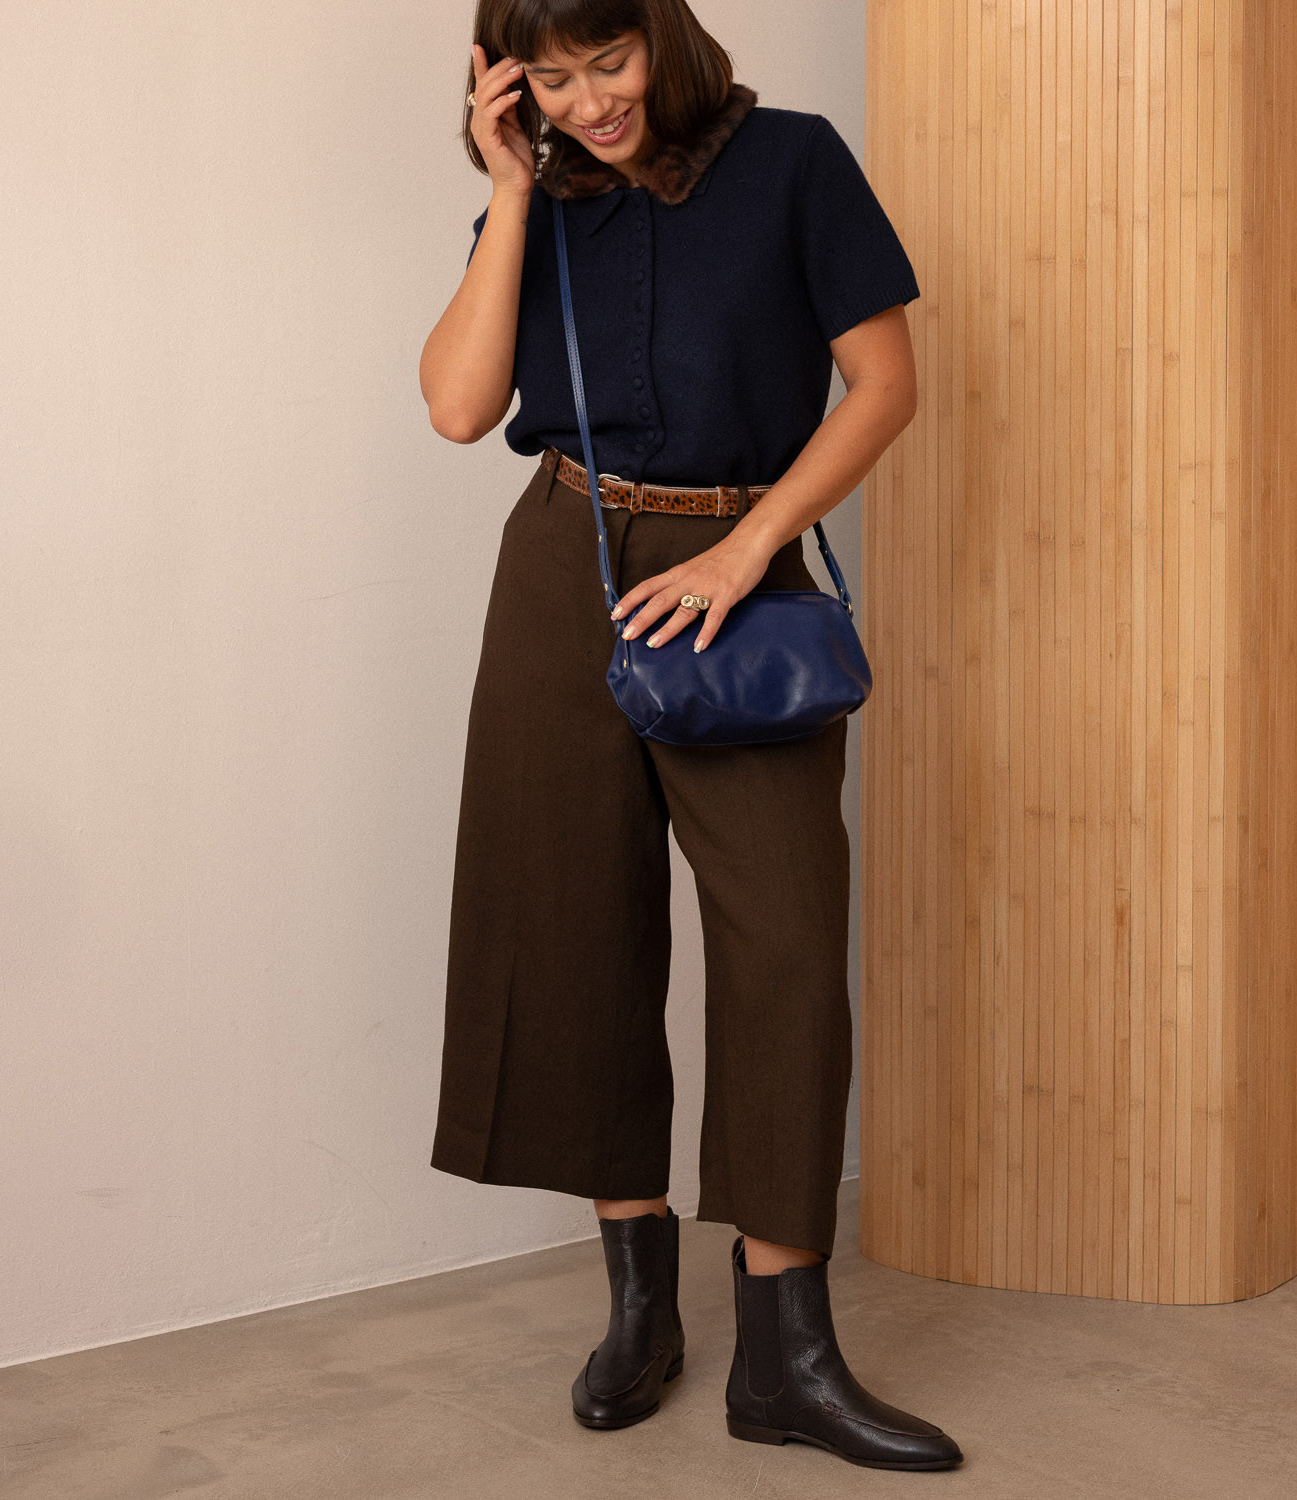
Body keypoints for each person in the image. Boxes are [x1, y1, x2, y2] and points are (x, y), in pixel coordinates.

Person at [418, 0, 963, 1472]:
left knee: (785, 939)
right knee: (574, 927)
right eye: (551, 79)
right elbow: (461, 409)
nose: (588, 101)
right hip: (567, 574)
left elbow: (885, 385)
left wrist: (746, 549)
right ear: (508, 85)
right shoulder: (539, 198)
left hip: (742, 573)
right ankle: (640, 1307)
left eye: (609, 62)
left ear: (663, 35)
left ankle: (787, 1354)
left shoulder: (793, 162)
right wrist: (512, 187)